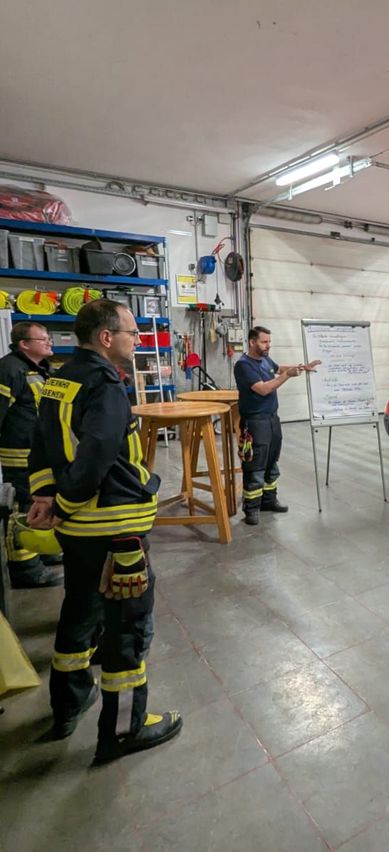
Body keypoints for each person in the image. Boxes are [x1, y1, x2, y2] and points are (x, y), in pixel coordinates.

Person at [27, 299, 182, 763]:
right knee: (126, 630)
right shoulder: (107, 386)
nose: (139, 341)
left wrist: (46, 497)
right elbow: (95, 456)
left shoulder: (59, 380)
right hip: (115, 528)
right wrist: (70, 502)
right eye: (133, 333)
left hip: (77, 532)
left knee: (79, 611)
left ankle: (68, 705)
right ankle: (123, 730)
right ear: (107, 337)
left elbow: (43, 444)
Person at [234, 326, 318, 525]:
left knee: (272, 462)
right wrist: (287, 375)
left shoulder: (265, 360)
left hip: (272, 419)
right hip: (255, 422)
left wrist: (302, 367)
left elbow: (278, 368)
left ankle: (268, 501)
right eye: (264, 342)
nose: (268, 345)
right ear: (252, 342)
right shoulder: (244, 366)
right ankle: (251, 508)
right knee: (255, 465)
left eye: (269, 342)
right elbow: (263, 389)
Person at [0, 321, 61, 587]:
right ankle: (25, 569)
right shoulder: (9, 369)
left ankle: (40, 552)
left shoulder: (43, 369)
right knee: (21, 510)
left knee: (40, 505)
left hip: (41, 455)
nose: (49, 342)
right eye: (43, 339)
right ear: (24, 344)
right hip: (18, 455)